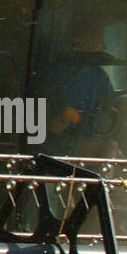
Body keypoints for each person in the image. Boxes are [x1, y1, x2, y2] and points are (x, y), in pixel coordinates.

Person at [43, 22, 115, 157]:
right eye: (98, 41)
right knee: (109, 146)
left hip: (88, 139)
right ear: (80, 41)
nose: (104, 47)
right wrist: (49, 122)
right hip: (54, 145)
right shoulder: (52, 73)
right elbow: (31, 108)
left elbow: (111, 106)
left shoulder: (100, 76)